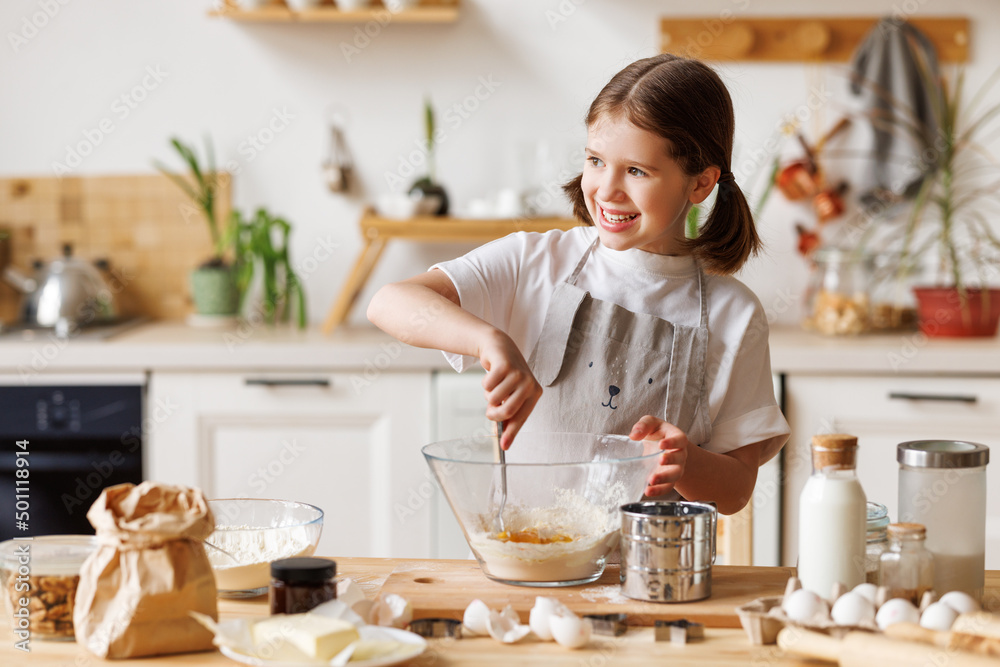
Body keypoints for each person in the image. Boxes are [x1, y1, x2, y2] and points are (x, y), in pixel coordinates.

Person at [368, 54, 789, 515]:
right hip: (526, 558)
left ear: (701, 183)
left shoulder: (735, 315)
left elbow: (737, 489)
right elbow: (390, 302)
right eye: (595, 160)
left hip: (651, 577)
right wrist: (489, 341)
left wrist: (686, 463)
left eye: (637, 171)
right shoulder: (535, 261)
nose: (607, 189)